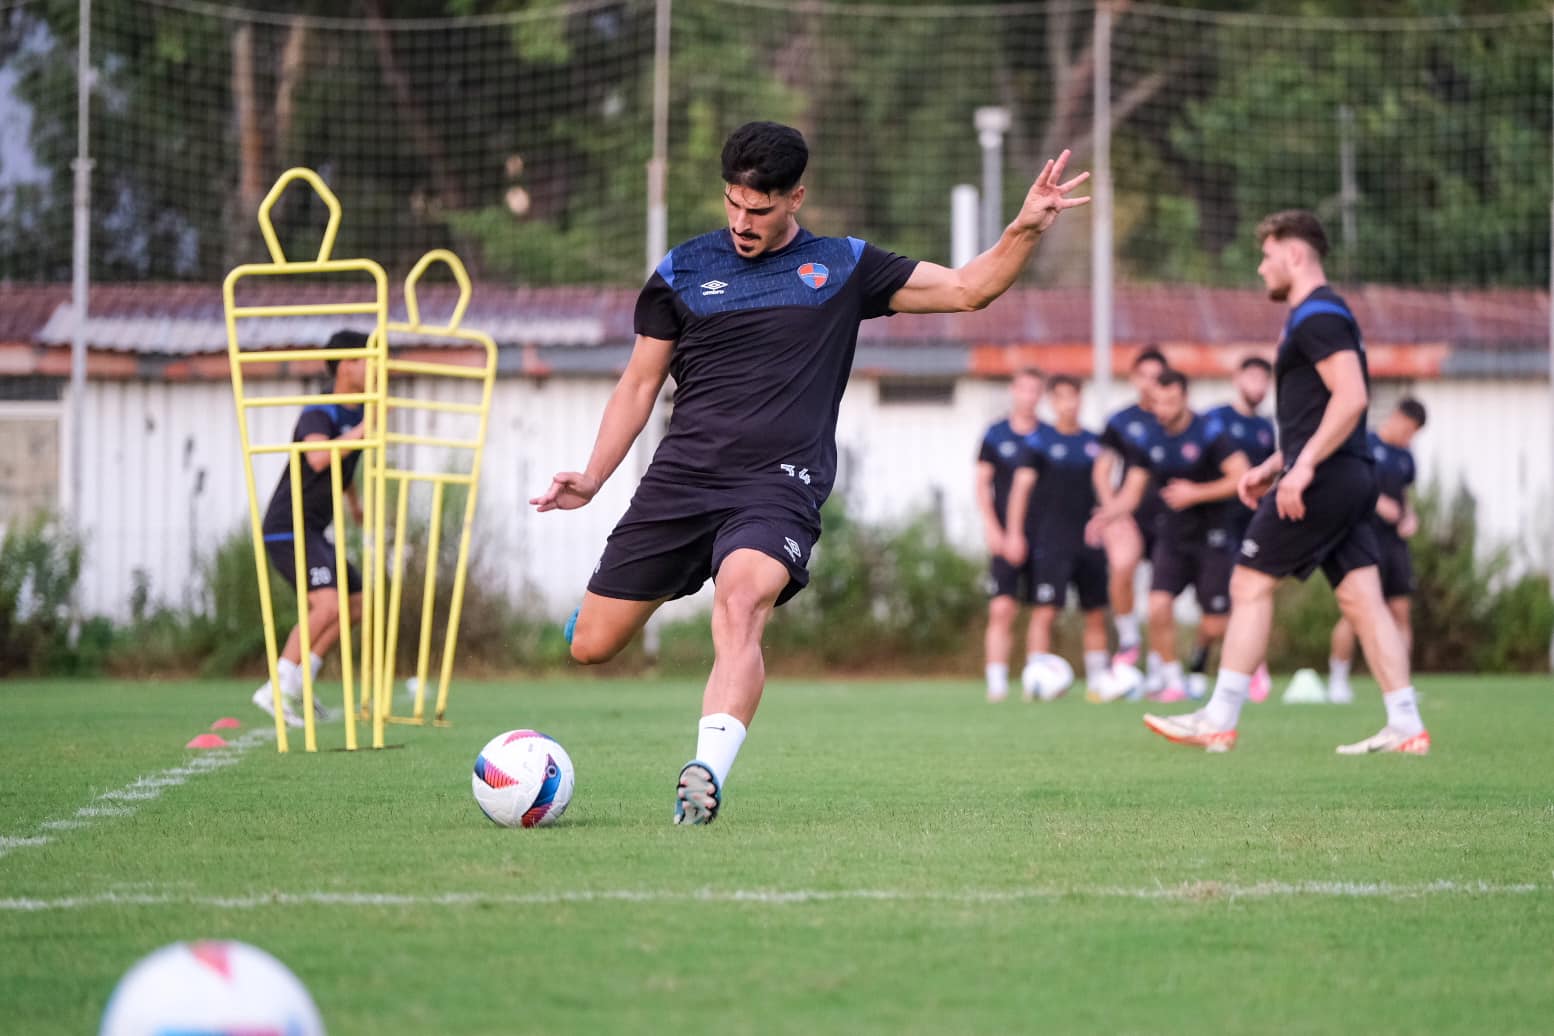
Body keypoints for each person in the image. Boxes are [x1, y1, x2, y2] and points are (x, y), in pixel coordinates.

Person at [530, 121, 1090, 823]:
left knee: (742, 604)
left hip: (778, 484)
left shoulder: (841, 266)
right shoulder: (682, 269)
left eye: (760, 209)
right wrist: (593, 475)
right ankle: (658, 580)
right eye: (733, 204)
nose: (742, 222)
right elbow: (639, 384)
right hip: (683, 480)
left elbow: (968, 288)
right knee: (592, 645)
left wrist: (1024, 228)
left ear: (795, 198)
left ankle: (705, 773)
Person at [1143, 210, 1429, 754]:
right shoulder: (1322, 314)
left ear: (1294, 255)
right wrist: (1277, 462)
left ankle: (1218, 718)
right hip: (1347, 473)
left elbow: (1352, 398)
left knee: (1249, 582)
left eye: (1267, 256)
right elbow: (1319, 411)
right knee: (1363, 599)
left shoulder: (1318, 315)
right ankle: (1407, 724)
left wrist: (1302, 468)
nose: (1261, 268)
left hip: (1326, 477)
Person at [1085, 370, 1247, 702]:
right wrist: (1107, 515)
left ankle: (1199, 655)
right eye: (1158, 402)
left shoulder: (1210, 432)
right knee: (1158, 606)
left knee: (1215, 624)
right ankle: (1173, 682)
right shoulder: (1148, 438)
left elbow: (1241, 476)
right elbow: (1132, 492)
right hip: (1171, 536)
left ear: (1185, 398)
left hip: (1212, 537)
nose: (1163, 409)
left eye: (1170, 402)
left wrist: (1196, 493)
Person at [251, 330, 368, 727]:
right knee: (327, 604)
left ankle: (302, 679)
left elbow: (344, 465)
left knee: (358, 603)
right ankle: (276, 686)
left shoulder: (358, 411)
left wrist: (354, 505)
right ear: (346, 365)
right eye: (368, 361)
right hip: (288, 526)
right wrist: (366, 429)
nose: (376, 369)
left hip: (314, 529)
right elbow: (319, 456)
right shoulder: (321, 410)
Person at [1003, 374, 1111, 699]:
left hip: (1089, 540)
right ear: (1052, 401)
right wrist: (1014, 533)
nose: (1069, 404)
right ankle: (1034, 681)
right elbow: (1020, 490)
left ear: (1081, 399)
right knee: (1045, 611)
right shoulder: (1039, 441)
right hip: (1052, 539)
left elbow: (1105, 489)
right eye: (1061, 397)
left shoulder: (1095, 442)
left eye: (1074, 396)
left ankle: (1098, 685)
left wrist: (1110, 522)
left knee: (1095, 613)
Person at [1327, 397, 1427, 704]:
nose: (1408, 437)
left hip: (1395, 544)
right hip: (1365, 538)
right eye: (1407, 430)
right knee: (1356, 611)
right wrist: (1377, 502)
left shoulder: (1406, 457)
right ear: (1397, 418)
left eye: (1414, 434)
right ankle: (1337, 679)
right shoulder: (1365, 444)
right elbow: (1346, 484)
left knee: (1400, 613)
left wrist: (1410, 517)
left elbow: (1405, 495)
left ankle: (1401, 685)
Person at [1198, 356, 1277, 701]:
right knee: (1216, 612)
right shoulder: (1215, 419)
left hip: (1254, 522)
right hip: (1214, 522)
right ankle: (1199, 663)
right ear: (1237, 379)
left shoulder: (1266, 428)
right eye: (1253, 377)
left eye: (1264, 379)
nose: (1258, 385)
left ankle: (1252, 669)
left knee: (1252, 592)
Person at [1092, 347, 1168, 686]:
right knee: (1122, 567)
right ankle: (1128, 638)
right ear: (1134, 379)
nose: (1151, 383)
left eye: (1157, 377)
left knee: (1160, 595)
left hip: (1170, 516)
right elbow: (1102, 470)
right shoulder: (1121, 421)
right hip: (1130, 513)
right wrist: (1113, 512)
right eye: (1145, 376)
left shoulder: (1175, 418)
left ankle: (1160, 663)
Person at [976, 368, 1046, 702]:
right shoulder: (995, 434)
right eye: (1024, 389)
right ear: (1014, 392)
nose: (1029, 397)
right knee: (1002, 608)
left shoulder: (1047, 436)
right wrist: (994, 529)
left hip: (1043, 536)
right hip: (1005, 534)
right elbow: (981, 484)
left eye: (1035, 391)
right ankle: (997, 683)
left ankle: (1036, 682)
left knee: (1042, 610)